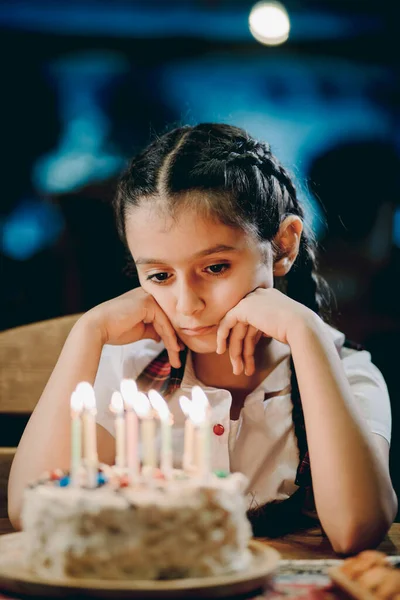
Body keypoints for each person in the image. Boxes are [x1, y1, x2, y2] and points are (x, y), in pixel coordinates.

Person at [8, 123, 397, 552]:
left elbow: (356, 530)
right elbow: (30, 510)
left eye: (215, 268)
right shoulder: (129, 369)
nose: (187, 303)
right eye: (159, 275)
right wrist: (87, 333)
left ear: (283, 246)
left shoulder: (344, 372)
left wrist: (306, 334)